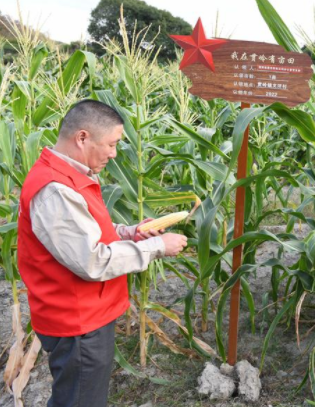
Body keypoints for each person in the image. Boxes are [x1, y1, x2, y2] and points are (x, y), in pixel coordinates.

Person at [17, 99, 188, 407]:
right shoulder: (55, 189)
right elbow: (91, 260)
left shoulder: (68, 177)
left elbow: (88, 233)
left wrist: (129, 232)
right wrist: (156, 247)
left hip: (84, 318)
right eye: (111, 144)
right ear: (82, 137)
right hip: (77, 325)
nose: (114, 153)